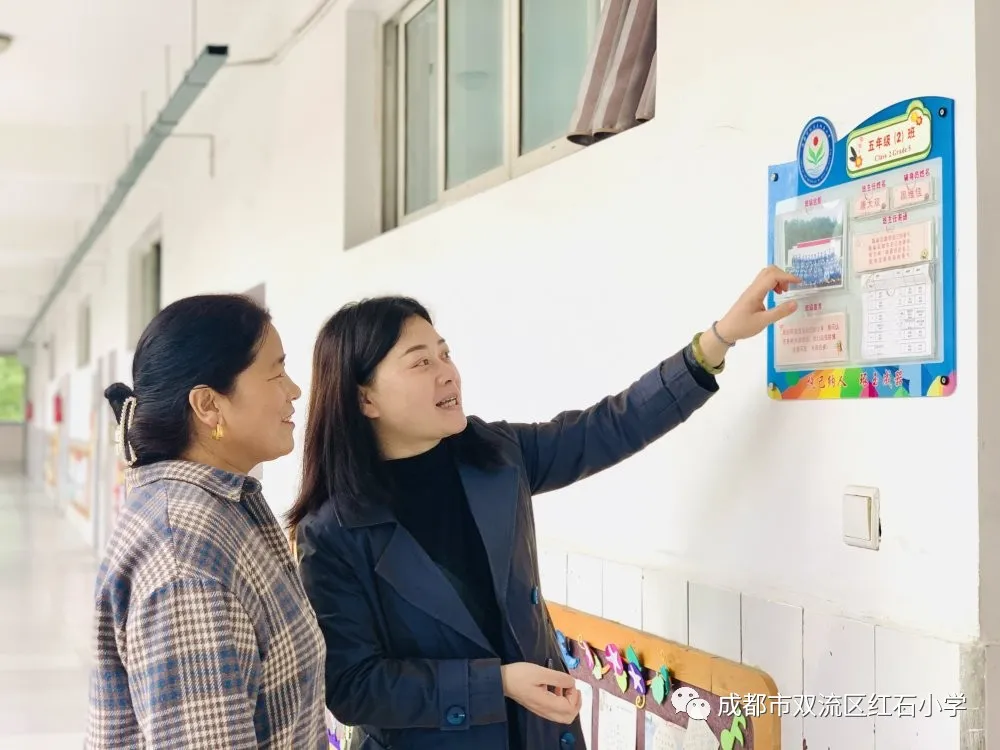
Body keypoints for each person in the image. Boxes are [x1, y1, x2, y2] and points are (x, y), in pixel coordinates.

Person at [289, 266, 800, 750]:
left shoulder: (494, 455)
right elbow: (356, 686)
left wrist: (717, 340)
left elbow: (608, 427)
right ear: (365, 400)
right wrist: (497, 684)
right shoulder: (332, 532)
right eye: (421, 362)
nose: (448, 373)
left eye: (445, 354)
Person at [86, 294, 327, 749]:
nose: (294, 390)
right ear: (209, 406)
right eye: (276, 373)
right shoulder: (183, 559)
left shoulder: (219, 506)